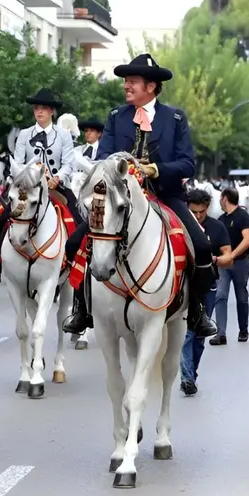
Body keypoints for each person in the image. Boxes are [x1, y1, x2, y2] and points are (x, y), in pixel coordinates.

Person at [61, 53, 219, 338]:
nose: (126, 86)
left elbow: (187, 163)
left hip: (165, 196)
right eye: (125, 81)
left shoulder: (174, 118)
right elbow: (104, 157)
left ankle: (198, 310)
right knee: (75, 242)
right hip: (120, 199)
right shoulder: (115, 117)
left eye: (132, 81)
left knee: (201, 246)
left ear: (151, 86)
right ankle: (81, 308)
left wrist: (156, 169)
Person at [0, 88, 80, 285]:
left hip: (55, 187)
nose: (39, 112)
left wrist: (57, 178)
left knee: (78, 217)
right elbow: (17, 161)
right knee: (2, 219)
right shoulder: (25, 134)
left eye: (43, 108)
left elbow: (69, 163)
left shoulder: (63, 135)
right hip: (28, 187)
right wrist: (29, 176)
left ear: (52, 111)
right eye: (36, 108)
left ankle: (78, 265)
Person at [182, 188, 231, 396]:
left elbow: (228, 256)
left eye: (201, 212)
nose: (198, 216)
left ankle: (192, 372)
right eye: (193, 212)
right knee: (186, 335)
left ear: (207, 208)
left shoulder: (217, 227)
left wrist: (216, 260)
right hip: (184, 287)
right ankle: (187, 378)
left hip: (208, 287)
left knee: (199, 336)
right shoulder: (181, 224)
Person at [211, 187, 249, 345]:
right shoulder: (221, 220)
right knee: (220, 296)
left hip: (240, 262)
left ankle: (243, 330)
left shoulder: (242, 216)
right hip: (223, 265)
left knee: (241, 297)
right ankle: (221, 333)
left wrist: (233, 255)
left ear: (225, 199)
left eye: (220, 198)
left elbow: (247, 239)